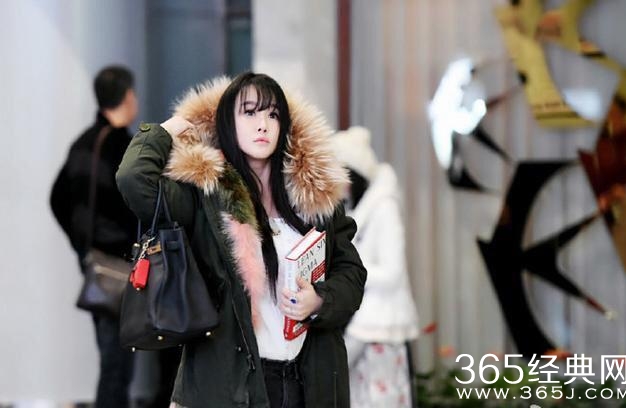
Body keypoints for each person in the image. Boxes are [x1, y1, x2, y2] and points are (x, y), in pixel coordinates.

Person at [116, 72, 367, 407]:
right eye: (249, 112)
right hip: (233, 385)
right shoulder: (205, 196)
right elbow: (133, 180)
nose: (262, 124)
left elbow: (351, 272)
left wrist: (320, 300)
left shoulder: (314, 198)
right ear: (227, 122)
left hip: (309, 382)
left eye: (273, 115)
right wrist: (167, 130)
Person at [50, 65, 139, 407]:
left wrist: (84, 246)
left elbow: (57, 199)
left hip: (96, 265)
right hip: (121, 266)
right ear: (127, 97)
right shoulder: (123, 147)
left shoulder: (83, 143)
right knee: (117, 365)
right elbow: (135, 207)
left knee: (113, 358)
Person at [331, 126, 419, 408]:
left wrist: (351, 269)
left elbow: (393, 272)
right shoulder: (359, 210)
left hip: (381, 324)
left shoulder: (384, 209)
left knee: (383, 398)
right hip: (364, 323)